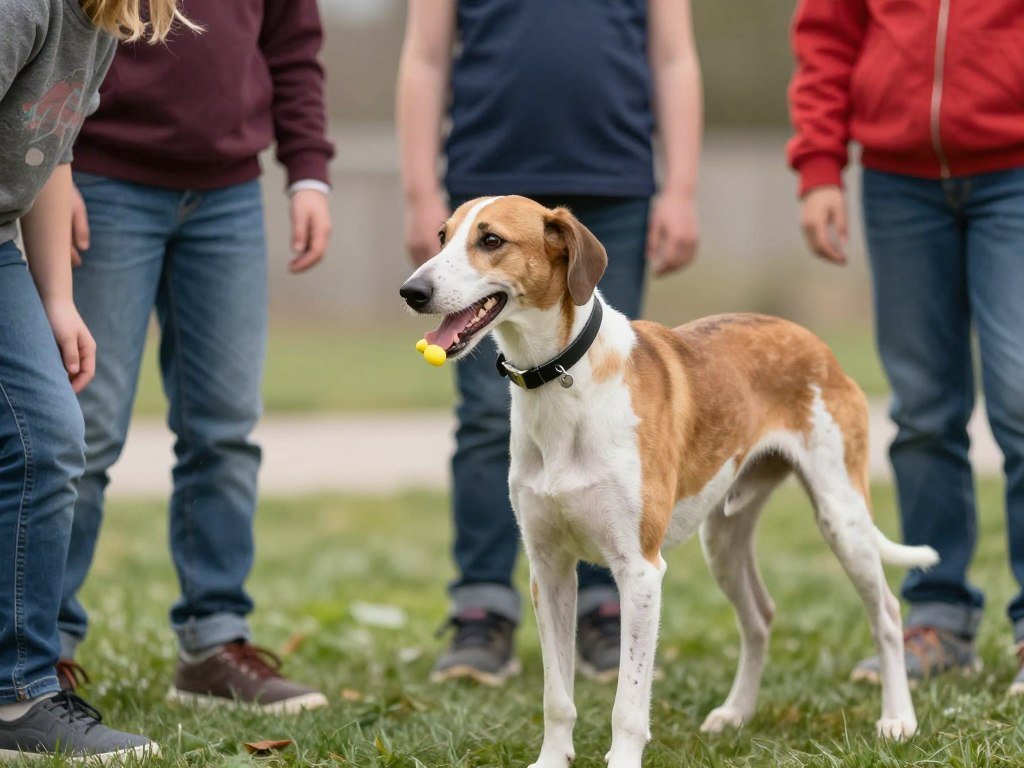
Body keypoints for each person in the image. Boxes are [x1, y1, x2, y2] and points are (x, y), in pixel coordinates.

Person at [397, 0, 702, 684]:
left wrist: (679, 186)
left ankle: (604, 608)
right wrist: (423, 194)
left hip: (615, 185)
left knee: (614, 413)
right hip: (483, 178)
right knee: (484, 416)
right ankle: (482, 613)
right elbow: (425, 55)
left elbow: (674, 54)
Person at [56, 0, 335, 711]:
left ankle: (214, 643)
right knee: (80, 432)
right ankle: (39, 650)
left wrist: (308, 171)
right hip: (101, 182)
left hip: (229, 195)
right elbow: (51, 31)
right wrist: (56, 167)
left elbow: (294, 44)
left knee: (226, 431)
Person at [788, 0, 1024, 686]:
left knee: (1019, 396)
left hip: (1015, 172)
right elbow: (828, 35)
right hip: (899, 183)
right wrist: (820, 166)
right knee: (922, 407)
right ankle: (938, 617)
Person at [0, 0, 193, 757]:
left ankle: (16, 698)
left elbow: (48, 150)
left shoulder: (104, 19)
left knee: (47, 437)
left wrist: (55, 299)